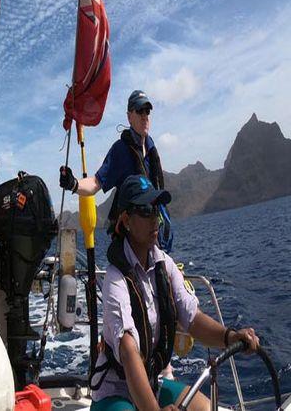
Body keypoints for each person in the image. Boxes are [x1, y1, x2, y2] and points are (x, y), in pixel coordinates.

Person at [90, 174, 260, 411]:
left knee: (205, 408)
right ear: (127, 220)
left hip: (150, 385)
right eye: (146, 210)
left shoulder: (165, 264)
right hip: (114, 393)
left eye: (157, 209)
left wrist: (231, 337)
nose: (156, 219)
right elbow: (129, 351)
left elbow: (192, 318)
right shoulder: (115, 279)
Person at [60, 90, 173, 251]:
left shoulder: (151, 146)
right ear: (129, 116)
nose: (144, 116)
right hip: (131, 237)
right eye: (139, 110)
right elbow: (96, 183)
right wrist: (73, 184)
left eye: (147, 111)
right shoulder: (120, 150)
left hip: (153, 233)